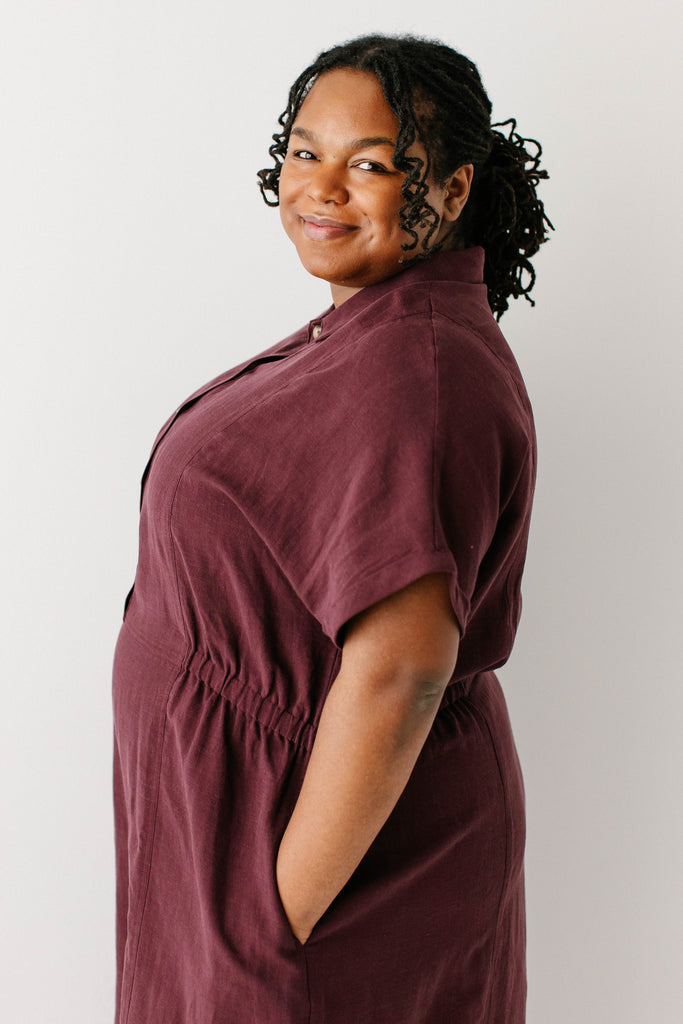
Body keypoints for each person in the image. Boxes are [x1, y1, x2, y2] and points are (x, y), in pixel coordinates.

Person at [112, 33, 551, 1024]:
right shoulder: (372, 329)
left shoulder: (416, 371)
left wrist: (271, 915)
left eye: (370, 165)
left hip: (328, 869)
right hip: (253, 828)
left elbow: (403, 670)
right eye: (304, 151)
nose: (320, 187)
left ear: (449, 188)